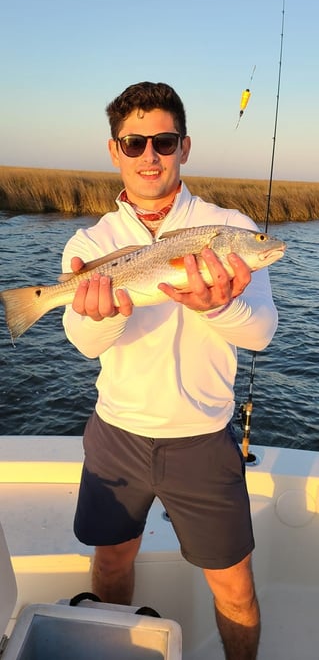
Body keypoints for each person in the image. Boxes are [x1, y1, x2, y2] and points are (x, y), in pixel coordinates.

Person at [62, 81, 278, 659]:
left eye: (164, 140)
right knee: (110, 562)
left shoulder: (224, 225)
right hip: (117, 436)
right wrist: (103, 316)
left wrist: (223, 304)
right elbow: (84, 343)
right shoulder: (91, 241)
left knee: (235, 587)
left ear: (185, 146)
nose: (150, 155)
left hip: (203, 440)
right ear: (115, 151)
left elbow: (261, 331)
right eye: (134, 143)